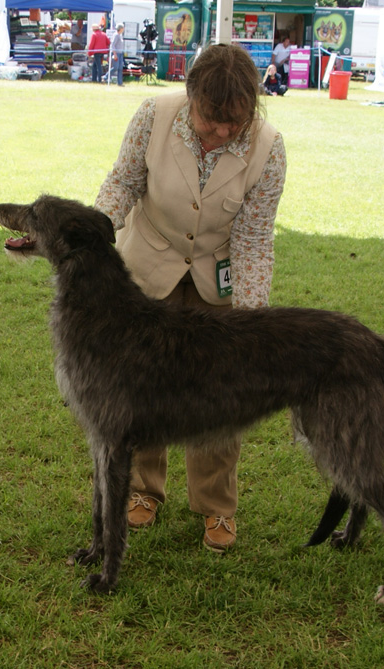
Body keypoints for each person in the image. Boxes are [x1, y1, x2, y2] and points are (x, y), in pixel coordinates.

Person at [93, 44, 287, 553]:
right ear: (190, 95)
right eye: (210, 121)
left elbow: (253, 236)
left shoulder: (269, 148)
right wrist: (91, 234)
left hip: (214, 281)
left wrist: (251, 324)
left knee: (218, 399)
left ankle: (217, 508)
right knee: (139, 392)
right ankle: (142, 491)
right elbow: (124, 183)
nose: (222, 133)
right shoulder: (152, 116)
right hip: (146, 270)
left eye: (235, 123)